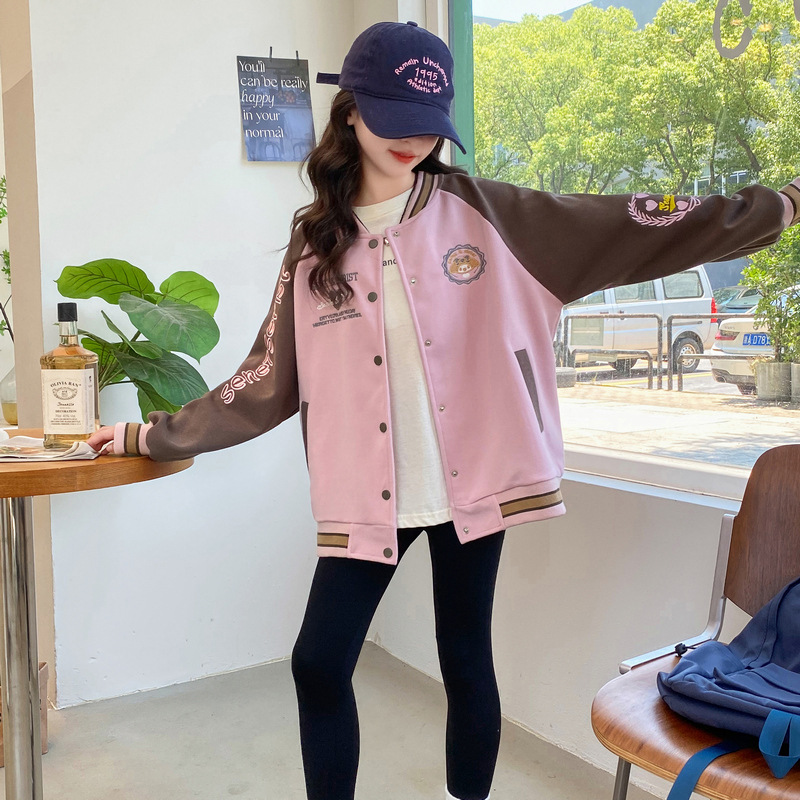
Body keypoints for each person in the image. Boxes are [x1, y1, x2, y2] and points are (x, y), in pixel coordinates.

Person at [88, 19, 800, 800]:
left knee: (464, 657)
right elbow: (265, 378)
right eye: (394, 118)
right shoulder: (315, 241)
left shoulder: (495, 215)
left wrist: (782, 206)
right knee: (318, 663)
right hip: (368, 491)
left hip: (478, 481)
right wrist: (148, 435)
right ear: (350, 112)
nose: (414, 140)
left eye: (428, 123)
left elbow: (645, 221)